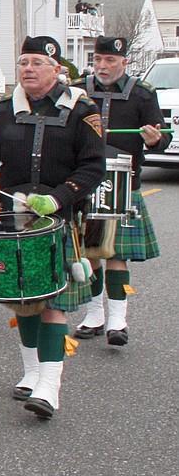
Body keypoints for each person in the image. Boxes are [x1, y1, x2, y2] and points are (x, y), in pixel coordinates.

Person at [0, 36, 105, 419]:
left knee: (51, 303)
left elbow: (93, 167)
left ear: (57, 70)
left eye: (37, 62)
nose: (29, 69)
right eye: (23, 62)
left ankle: (50, 387)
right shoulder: (4, 109)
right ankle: (32, 371)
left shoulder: (81, 110)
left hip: (58, 218)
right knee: (22, 299)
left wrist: (57, 198)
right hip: (14, 217)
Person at [71, 36, 169, 346]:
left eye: (110, 60)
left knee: (115, 255)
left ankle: (117, 320)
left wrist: (154, 139)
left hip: (123, 183)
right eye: (98, 59)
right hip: (83, 180)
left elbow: (162, 139)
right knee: (90, 253)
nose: (102, 65)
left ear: (124, 62)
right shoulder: (78, 91)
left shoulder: (142, 95)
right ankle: (93, 314)